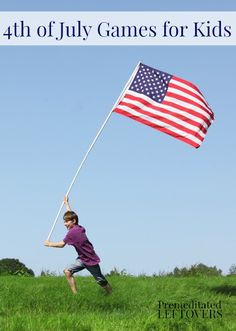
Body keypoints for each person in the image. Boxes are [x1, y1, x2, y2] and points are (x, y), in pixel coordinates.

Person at [44, 196, 112, 294]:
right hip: (81, 259)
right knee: (67, 271)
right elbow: (72, 215)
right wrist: (66, 204)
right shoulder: (79, 227)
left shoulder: (72, 233)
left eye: (66, 221)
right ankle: (75, 295)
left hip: (91, 260)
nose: (65, 224)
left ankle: (111, 293)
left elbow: (61, 244)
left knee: (100, 280)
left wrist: (49, 244)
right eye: (64, 221)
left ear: (73, 221)